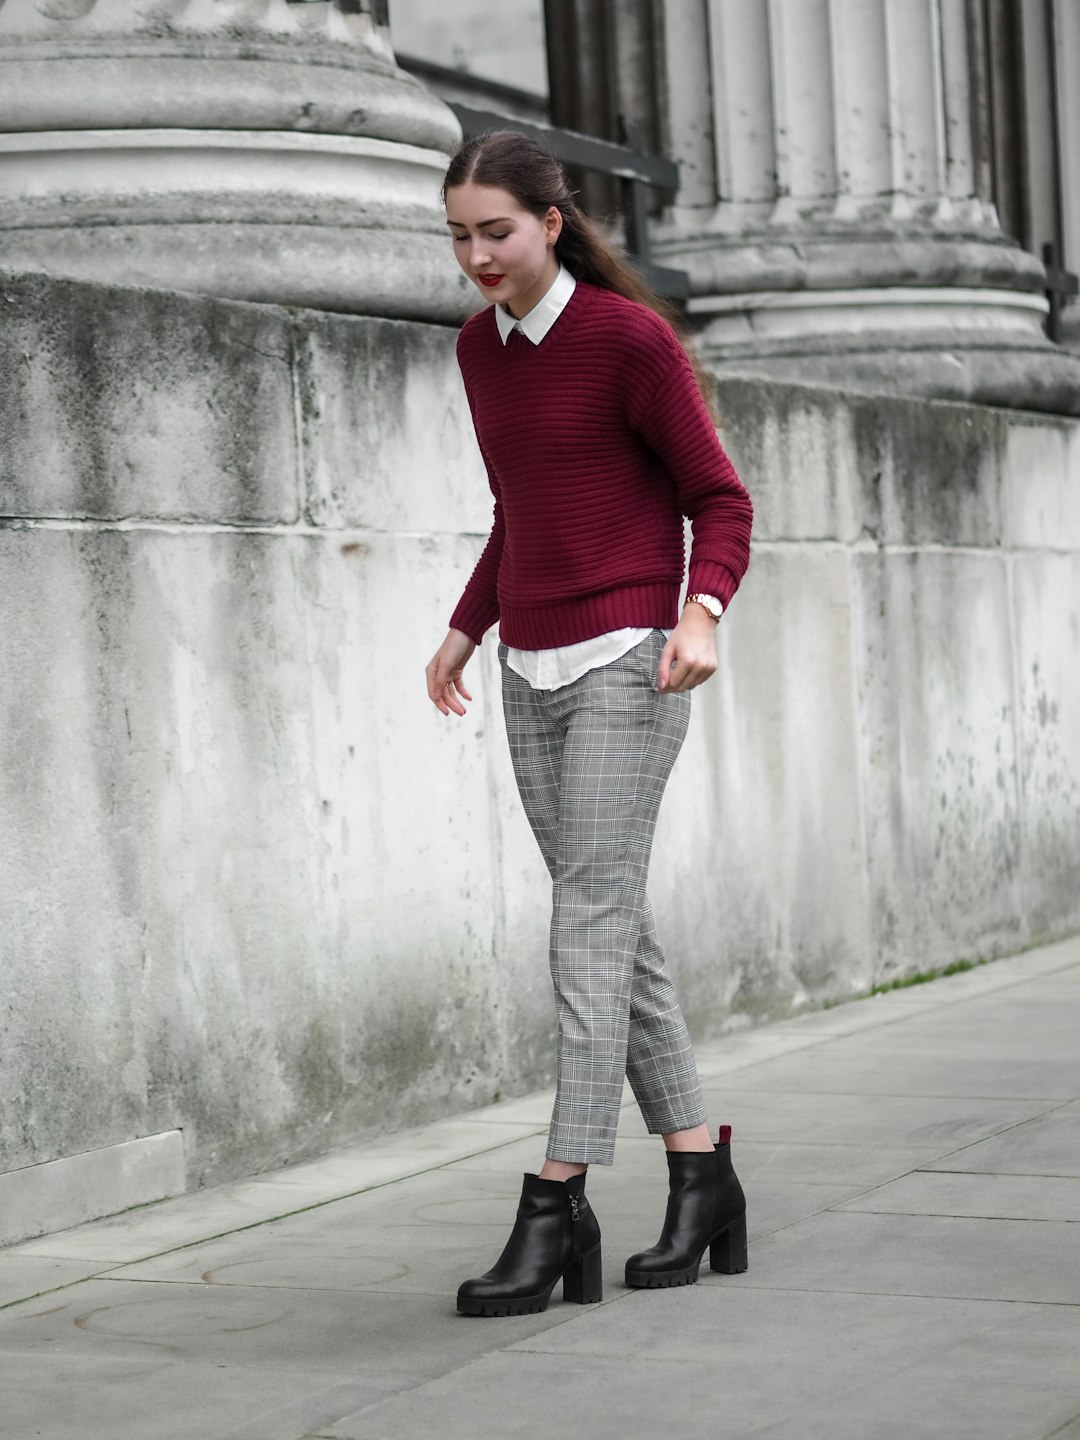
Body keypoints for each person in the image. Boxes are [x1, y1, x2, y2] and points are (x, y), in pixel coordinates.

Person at [425, 130, 753, 1319]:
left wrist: (701, 612)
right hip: (529, 668)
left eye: (496, 233)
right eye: (459, 236)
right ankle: (701, 1174)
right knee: (617, 930)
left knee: (588, 921)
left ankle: (555, 1194)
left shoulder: (629, 342)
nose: (477, 257)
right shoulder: (479, 349)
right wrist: (467, 627)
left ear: (552, 224)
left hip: (630, 662)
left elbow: (719, 497)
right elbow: (521, 512)